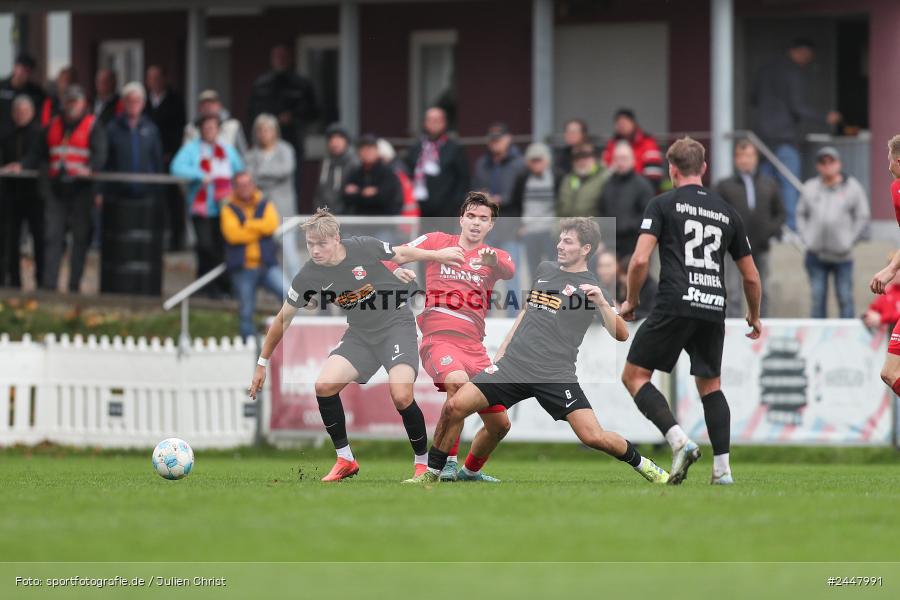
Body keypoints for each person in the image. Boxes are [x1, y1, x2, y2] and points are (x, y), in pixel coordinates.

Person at [403, 217, 670, 485]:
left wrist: (601, 303)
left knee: (593, 437)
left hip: (554, 374)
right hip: (514, 366)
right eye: (560, 239)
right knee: (455, 406)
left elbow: (621, 333)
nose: (560, 245)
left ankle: (646, 466)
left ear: (586, 249)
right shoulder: (545, 270)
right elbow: (526, 311)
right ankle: (435, 474)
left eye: (568, 241)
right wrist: (505, 348)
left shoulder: (592, 288)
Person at [247, 208, 468, 481]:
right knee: (324, 386)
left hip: (395, 325)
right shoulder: (308, 276)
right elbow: (282, 320)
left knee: (401, 396)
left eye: (321, 244)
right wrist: (262, 363)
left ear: (336, 238)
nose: (315, 250)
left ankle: (423, 464)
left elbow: (400, 253)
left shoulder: (362, 247)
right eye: (310, 244)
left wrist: (438, 255)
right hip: (360, 334)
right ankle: (346, 460)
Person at [620, 137, 761, 486]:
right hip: (714, 305)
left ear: (671, 170)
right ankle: (723, 471)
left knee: (635, 376)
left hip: (674, 301)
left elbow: (639, 259)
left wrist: (631, 300)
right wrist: (754, 315)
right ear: (703, 169)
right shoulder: (728, 212)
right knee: (711, 386)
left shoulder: (662, 204)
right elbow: (752, 276)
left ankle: (679, 441)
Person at [382, 192, 515, 481]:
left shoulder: (494, 255)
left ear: (491, 225)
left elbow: (509, 268)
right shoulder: (437, 241)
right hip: (439, 339)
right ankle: (446, 464)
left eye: (484, 219)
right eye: (471, 216)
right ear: (461, 219)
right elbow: (390, 255)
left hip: (474, 348)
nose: (476, 223)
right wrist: (406, 267)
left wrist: (493, 261)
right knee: (458, 383)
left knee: (500, 425)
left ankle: (469, 472)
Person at [23, 84, 107, 292]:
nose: (72, 106)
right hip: (56, 190)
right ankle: (49, 286)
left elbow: (100, 155)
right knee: (52, 238)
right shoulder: (52, 125)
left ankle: (74, 285)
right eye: (69, 101)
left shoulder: (92, 125)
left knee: (80, 239)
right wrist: (23, 165)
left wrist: (90, 169)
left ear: (83, 104)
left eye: (76, 101)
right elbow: (37, 154)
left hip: (81, 191)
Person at [752, 39, 842, 231]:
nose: (808, 61)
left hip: (763, 138)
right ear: (801, 52)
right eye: (808, 56)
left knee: (764, 186)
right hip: (784, 137)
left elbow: (753, 98)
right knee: (789, 185)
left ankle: (766, 229)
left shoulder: (766, 69)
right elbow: (798, 106)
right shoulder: (793, 72)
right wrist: (826, 116)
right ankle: (791, 229)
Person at [171, 114, 245, 298]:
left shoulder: (227, 150)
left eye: (213, 127)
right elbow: (176, 167)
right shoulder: (192, 149)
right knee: (204, 246)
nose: (210, 131)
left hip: (224, 209)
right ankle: (209, 287)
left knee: (221, 248)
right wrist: (198, 174)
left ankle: (217, 287)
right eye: (206, 127)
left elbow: (240, 172)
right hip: (201, 208)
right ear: (201, 130)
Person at [796, 146, 868, 319]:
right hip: (815, 255)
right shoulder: (811, 187)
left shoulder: (852, 187)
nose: (827, 166)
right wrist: (807, 237)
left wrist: (849, 240)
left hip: (842, 255)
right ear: (818, 166)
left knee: (845, 298)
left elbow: (862, 215)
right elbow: (800, 214)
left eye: (831, 161)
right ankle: (818, 342)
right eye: (823, 162)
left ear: (838, 164)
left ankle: (847, 340)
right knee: (817, 299)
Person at [716, 140, 786, 317]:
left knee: (762, 290)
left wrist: (769, 231)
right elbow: (716, 213)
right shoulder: (725, 186)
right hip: (733, 249)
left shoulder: (769, 183)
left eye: (749, 156)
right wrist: (729, 235)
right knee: (733, 292)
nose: (745, 160)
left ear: (755, 159)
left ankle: (761, 327)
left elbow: (780, 213)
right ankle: (732, 329)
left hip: (761, 247)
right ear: (735, 160)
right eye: (741, 156)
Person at [248, 44, 318, 201]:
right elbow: (251, 113)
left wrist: (293, 116)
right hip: (263, 143)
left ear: (291, 59)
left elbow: (314, 112)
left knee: (289, 186)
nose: (280, 61)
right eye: (277, 57)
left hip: (292, 140)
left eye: (283, 57)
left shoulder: (301, 84)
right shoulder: (261, 84)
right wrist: (252, 139)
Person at [221, 172, 284, 339]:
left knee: (289, 295)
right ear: (235, 188)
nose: (245, 188)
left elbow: (271, 225)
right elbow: (233, 235)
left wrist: (247, 225)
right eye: (241, 185)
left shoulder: (265, 204)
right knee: (246, 310)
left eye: (248, 184)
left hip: (267, 265)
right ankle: (247, 344)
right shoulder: (228, 208)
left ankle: (285, 333)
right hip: (243, 268)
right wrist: (260, 230)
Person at [245, 113, 297, 277]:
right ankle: (281, 294)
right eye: (260, 130)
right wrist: (265, 177)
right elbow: (249, 178)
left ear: (275, 131)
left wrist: (261, 174)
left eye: (267, 130)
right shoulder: (251, 154)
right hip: (260, 212)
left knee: (289, 255)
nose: (264, 134)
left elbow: (285, 170)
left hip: (284, 211)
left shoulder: (285, 149)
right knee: (268, 254)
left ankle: (302, 293)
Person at [0, 95, 44, 288]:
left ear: (32, 113)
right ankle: (13, 282)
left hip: (35, 195)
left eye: (25, 112)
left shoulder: (39, 133)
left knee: (39, 240)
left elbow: (36, 155)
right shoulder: (6, 134)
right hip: (11, 196)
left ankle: (41, 283)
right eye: (18, 112)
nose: (21, 115)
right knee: (10, 241)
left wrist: (21, 165)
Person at [869, 136, 900, 400]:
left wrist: (889, 270)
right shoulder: (896, 189)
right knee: (890, 372)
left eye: (889, 158)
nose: (887, 164)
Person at [144, 65, 187, 250]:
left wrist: (171, 152)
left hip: (169, 158)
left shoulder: (175, 101)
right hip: (148, 160)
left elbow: (179, 129)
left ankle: (175, 240)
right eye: (150, 78)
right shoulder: (144, 103)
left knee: (171, 201)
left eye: (157, 78)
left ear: (164, 79)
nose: (153, 82)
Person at [404, 106, 470, 221]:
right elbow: (408, 173)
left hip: (446, 210)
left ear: (444, 123)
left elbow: (463, 178)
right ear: (425, 123)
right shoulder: (416, 148)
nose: (434, 124)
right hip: (420, 207)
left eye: (437, 120)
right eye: (430, 120)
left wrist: (456, 203)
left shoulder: (454, 148)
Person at [598, 141, 654, 258]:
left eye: (624, 158)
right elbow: (601, 211)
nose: (620, 162)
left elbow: (647, 216)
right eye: (617, 158)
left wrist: (626, 226)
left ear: (633, 160)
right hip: (610, 244)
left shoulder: (642, 185)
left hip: (633, 244)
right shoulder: (607, 184)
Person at [510, 142, 558, 270]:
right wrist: (520, 226)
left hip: (550, 231)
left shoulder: (556, 177)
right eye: (533, 160)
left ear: (547, 160)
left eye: (539, 160)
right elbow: (516, 204)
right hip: (529, 231)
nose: (536, 163)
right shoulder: (522, 179)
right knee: (534, 270)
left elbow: (561, 204)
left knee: (553, 268)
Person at [600, 109, 664, 188]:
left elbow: (654, 177)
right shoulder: (611, 145)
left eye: (624, 123)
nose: (622, 126)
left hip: (641, 191)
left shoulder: (648, 143)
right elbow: (604, 171)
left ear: (633, 123)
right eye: (619, 123)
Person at [341, 134, 400, 216]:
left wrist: (359, 192)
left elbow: (385, 198)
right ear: (359, 152)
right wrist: (364, 192)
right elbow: (347, 197)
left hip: (384, 221)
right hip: (361, 221)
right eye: (364, 149)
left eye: (371, 149)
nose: (367, 153)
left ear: (377, 151)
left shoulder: (387, 172)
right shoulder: (355, 172)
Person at [182, 90, 248, 156]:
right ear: (199, 108)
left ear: (219, 105)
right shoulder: (190, 129)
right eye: (204, 104)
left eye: (211, 103)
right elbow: (184, 155)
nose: (208, 107)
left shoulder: (233, 126)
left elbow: (243, 154)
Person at [313, 123, 359, 214]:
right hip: (324, 215)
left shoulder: (355, 162)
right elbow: (320, 189)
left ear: (346, 141)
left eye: (339, 139)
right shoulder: (325, 161)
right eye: (332, 139)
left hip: (347, 216)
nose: (335, 143)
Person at [0, 53, 46, 136]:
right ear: (15, 67)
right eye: (22, 69)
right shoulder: (2, 87)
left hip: (27, 137)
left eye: (27, 71)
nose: (24, 73)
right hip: (3, 135)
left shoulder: (36, 92)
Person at [557, 143, 607, 217]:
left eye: (586, 157)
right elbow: (559, 210)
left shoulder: (604, 178)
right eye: (577, 158)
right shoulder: (567, 180)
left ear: (594, 158)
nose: (581, 161)